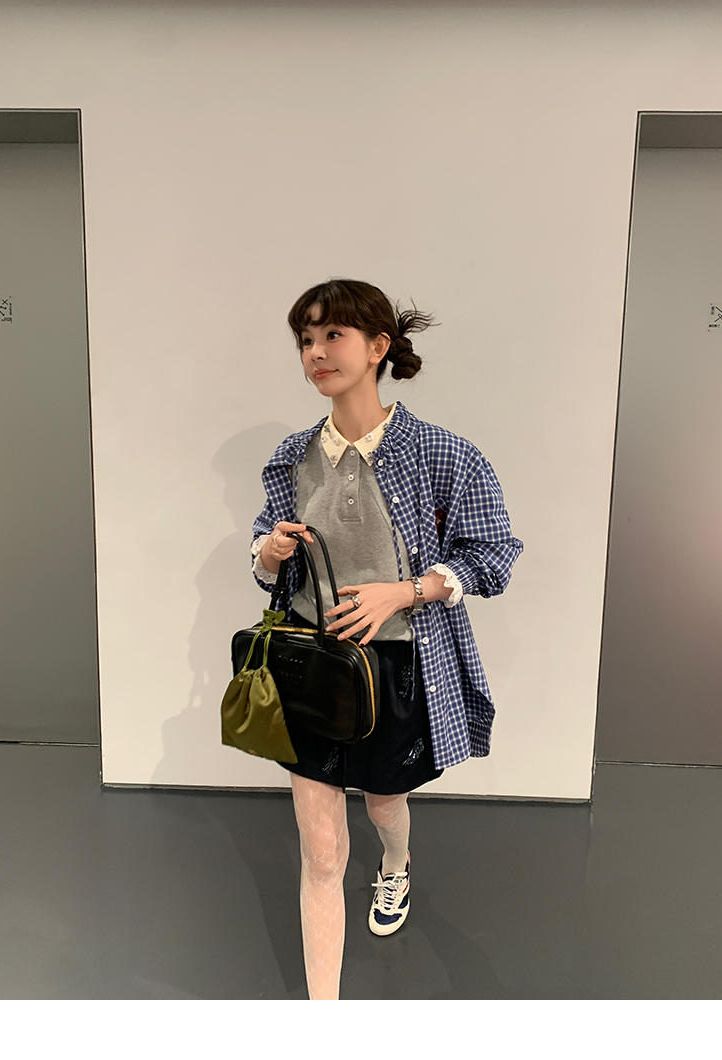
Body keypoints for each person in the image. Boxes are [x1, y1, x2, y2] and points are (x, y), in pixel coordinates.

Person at [250, 278, 523, 1000]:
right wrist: (268, 552)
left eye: (331, 335)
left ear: (378, 347)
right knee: (320, 852)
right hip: (310, 665)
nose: (315, 352)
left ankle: (395, 865)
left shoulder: (443, 453)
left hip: (397, 665)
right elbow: (266, 551)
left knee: (381, 804)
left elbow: (492, 556)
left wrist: (403, 591)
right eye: (305, 340)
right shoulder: (292, 456)